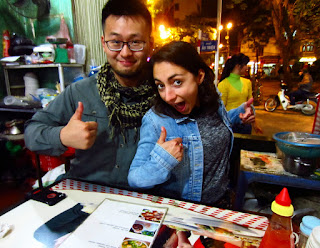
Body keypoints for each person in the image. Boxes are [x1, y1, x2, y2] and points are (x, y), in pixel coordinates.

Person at [24, 0, 155, 189]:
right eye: (116, 42)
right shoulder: (81, 91)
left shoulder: (166, 96)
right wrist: (62, 136)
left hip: (145, 199)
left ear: (150, 44)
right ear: (103, 43)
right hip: (86, 194)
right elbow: (31, 132)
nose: (125, 52)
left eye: (135, 42)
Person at [128, 41, 255, 208]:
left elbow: (213, 126)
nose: (168, 96)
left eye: (177, 82)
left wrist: (238, 115)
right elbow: (135, 179)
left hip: (221, 204)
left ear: (199, 77)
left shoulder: (213, 99)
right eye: (160, 85)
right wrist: (162, 160)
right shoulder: (156, 120)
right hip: (184, 213)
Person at [218, 53, 254, 134]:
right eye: (245, 65)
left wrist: (255, 123)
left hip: (246, 124)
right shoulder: (223, 84)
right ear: (238, 66)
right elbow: (221, 110)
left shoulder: (247, 82)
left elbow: (250, 105)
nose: (246, 67)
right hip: (231, 124)